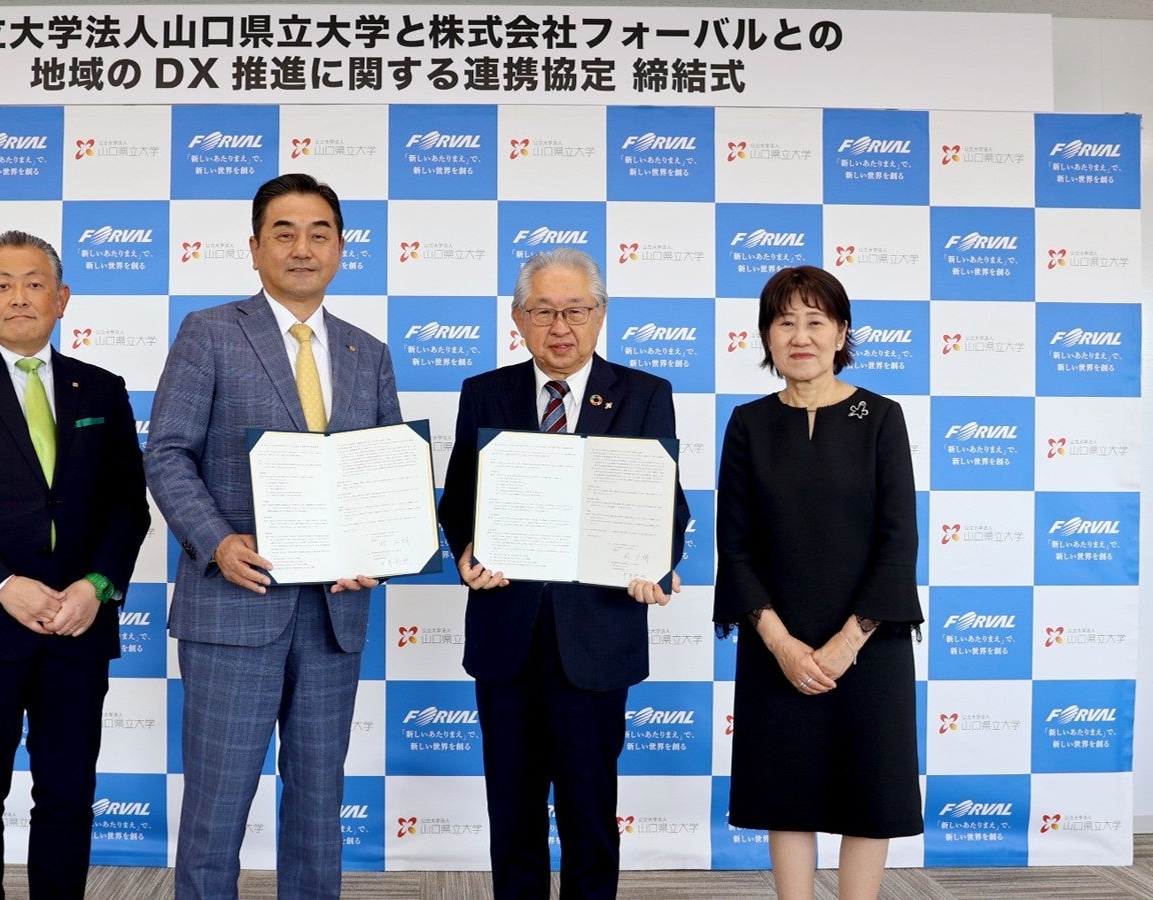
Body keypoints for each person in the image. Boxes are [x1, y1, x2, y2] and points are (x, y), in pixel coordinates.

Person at [145, 173, 403, 899]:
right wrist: (217, 542)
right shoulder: (209, 332)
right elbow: (167, 453)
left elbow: (385, 473)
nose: (302, 249)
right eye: (283, 234)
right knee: (216, 805)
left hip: (333, 614)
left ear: (342, 248)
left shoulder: (367, 352)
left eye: (319, 233)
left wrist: (379, 551)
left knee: (320, 807)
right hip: (235, 606)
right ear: (255, 248)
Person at [437, 247, 690, 900]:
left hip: (597, 635)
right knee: (512, 813)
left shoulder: (645, 395)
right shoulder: (484, 393)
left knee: (589, 813)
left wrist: (656, 563)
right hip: (507, 633)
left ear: (600, 314)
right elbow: (458, 501)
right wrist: (465, 551)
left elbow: (666, 506)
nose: (560, 326)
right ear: (518, 319)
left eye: (575, 310)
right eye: (543, 310)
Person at [0, 230, 150, 900]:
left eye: (35, 283)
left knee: (67, 798)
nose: (20, 297)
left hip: (78, 626)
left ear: (61, 298)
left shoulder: (101, 389)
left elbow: (128, 505)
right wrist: (4, 586)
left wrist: (95, 587)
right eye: (4, 285)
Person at [712, 265, 923, 900]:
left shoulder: (881, 417)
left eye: (815, 321)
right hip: (777, 640)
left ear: (841, 332)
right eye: (785, 322)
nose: (800, 336)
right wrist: (781, 644)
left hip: (870, 641)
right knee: (787, 793)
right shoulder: (748, 423)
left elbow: (898, 542)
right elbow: (735, 546)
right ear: (766, 337)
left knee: (870, 796)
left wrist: (848, 642)